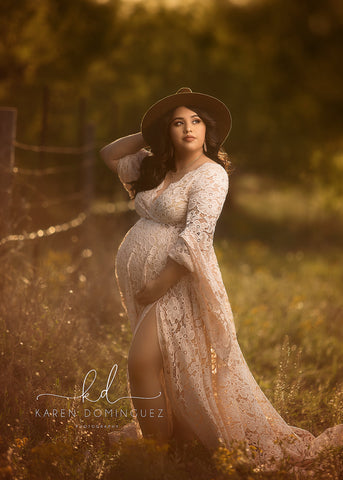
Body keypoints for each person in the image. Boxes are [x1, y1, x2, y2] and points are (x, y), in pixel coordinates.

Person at [100, 88, 343, 473]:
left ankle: (154, 454)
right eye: (178, 122)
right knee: (163, 366)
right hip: (143, 279)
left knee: (140, 362)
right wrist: (150, 133)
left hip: (176, 282)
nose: (188, 129)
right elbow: (109, 154)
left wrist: (160, 284)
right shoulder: (155, 165)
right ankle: (169, 441)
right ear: (168, 131)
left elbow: (197, 237)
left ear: (207, 129)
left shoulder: (211, 175)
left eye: (195, 120)